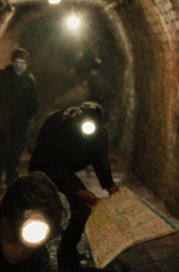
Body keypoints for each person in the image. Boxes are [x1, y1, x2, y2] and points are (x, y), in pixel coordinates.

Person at [27, 101, 119, 261]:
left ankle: (67, 250)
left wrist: (109, 185)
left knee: (82, 208)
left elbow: (100, 160)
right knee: (41, 210)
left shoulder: (99, 135)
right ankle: (31, 251)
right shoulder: (57, 124)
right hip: (43, 167)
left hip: (66, 169)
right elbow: (49, 161)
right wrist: (76, 189)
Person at [0, 48, 39, 189]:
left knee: (14, 153)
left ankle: (11, 180)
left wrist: (27, 118)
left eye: (22, 62)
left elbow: (33, 104)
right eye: (17, 62)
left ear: (27, 64)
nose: (19, 65)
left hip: (18, 124)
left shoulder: (29, 81)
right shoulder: (0, 78)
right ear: (12, 62)